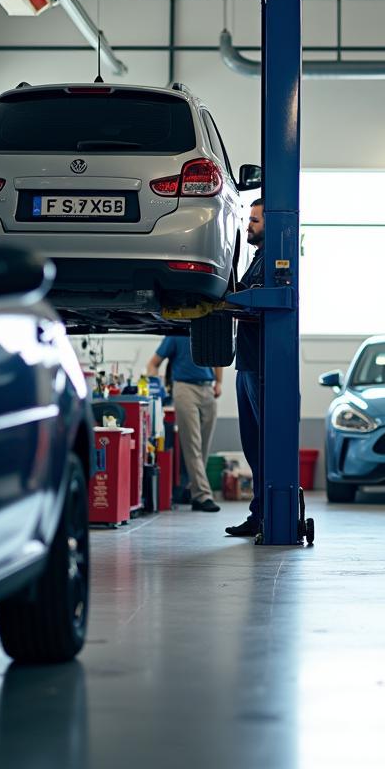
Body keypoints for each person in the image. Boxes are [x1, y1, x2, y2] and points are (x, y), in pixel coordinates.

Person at [225, 198, 266, 538]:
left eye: (254, 219)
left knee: (265, 443)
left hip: (262, 365)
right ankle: (259, 514)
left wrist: (225, 303)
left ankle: (269, 515)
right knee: (252, 444)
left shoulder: (274, 259)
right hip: (247, 363)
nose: (248, 224)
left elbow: (260, 304)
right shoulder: (257, 259)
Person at [147, 336, 222, 513]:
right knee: (193, 445)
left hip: (207, 388)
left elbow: (219, 357)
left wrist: (219, 381)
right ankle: (203, 495)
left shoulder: (206, 329)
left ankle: (192, 490)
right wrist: (158, 388)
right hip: (184, 388)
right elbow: (153, 363)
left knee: (204, 446)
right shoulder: (175, 334)